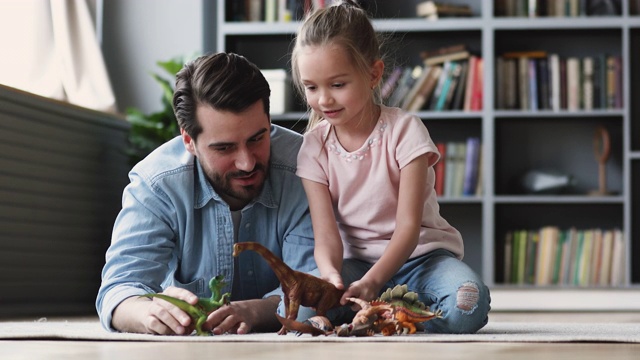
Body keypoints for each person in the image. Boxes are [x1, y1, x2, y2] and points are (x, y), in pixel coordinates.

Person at [290, 0, 490, 334]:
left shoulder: (405, 130)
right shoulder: (314, 146)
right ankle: (384, 315)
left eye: (337, 85)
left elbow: (408, 228)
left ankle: (381, 317)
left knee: (468, 304)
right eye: (311, 87)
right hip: (356, 264)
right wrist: (331, 275)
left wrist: (375, 281)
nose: (323, 99)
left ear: (373, 74)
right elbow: (326, 235)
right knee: (294, 303)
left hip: (422, 260)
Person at [96, 52, 317, 335]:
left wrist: (253, 312)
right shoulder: (157, 184)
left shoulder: (306, 169)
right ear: (189, 140)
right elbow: (117, 291)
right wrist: (146, 312)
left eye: (257, 138)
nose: (247, 162)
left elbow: (314, 289)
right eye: (224, 148)